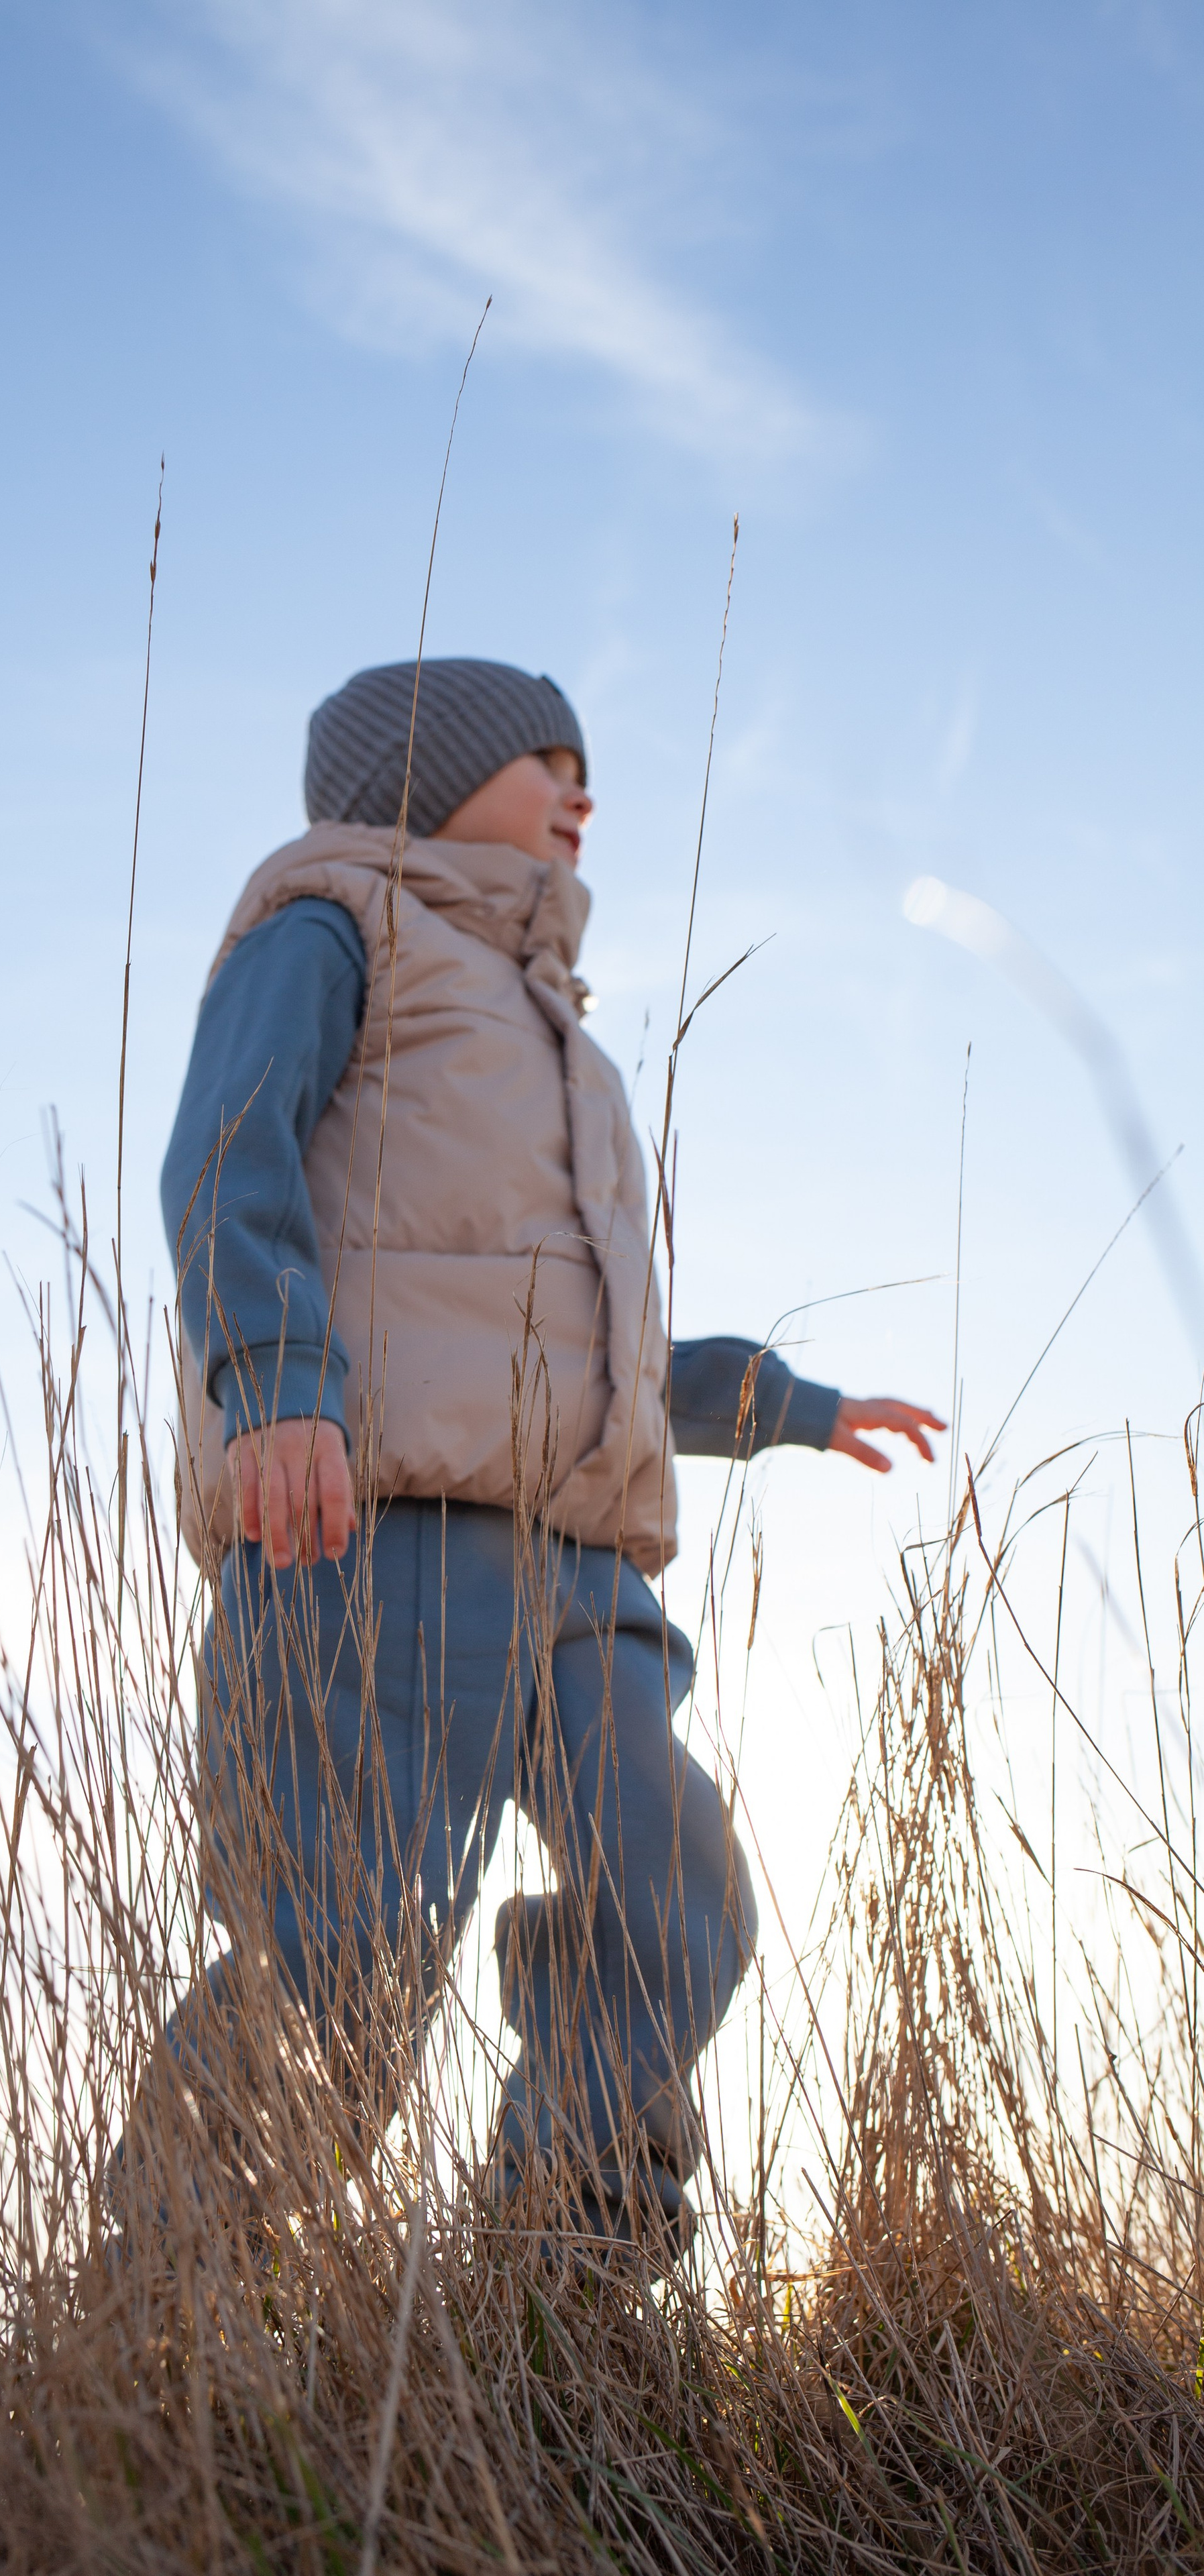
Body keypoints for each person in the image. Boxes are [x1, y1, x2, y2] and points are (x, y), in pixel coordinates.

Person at [156, 657, 942, 2253]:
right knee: (344, 1947)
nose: (581, 792)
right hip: (371, 1532)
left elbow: (570, 1343)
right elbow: (224, 1154)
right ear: (418, 772)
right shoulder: (327, 929)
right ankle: (164, 2321)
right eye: (543, 759)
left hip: (579, 1562)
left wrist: (775, 1402)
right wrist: (279, 1376)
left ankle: (562, 2274)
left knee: (677, 1900)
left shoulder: (556, 1038)